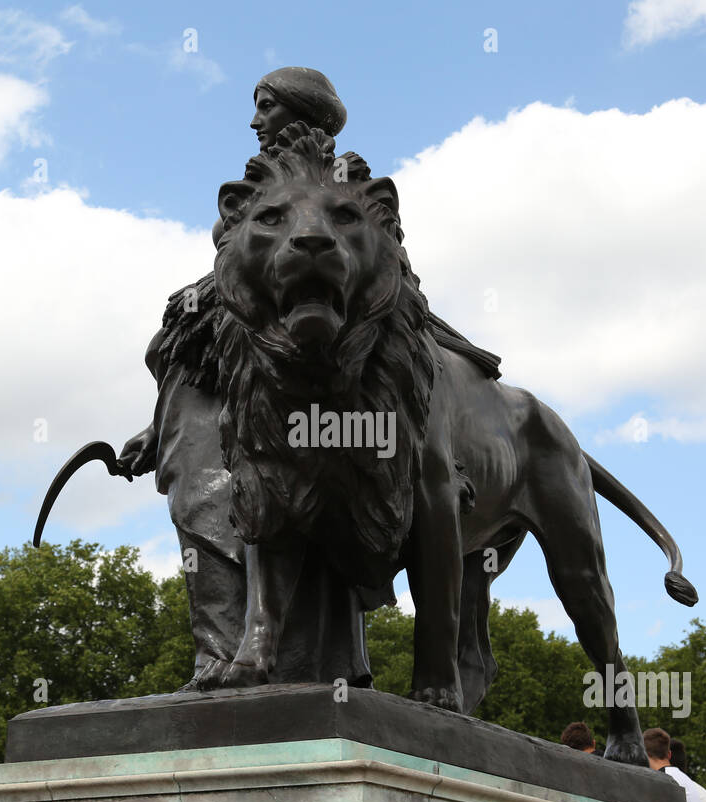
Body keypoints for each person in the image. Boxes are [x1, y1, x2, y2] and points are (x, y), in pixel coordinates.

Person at [117, 67, 502, 691]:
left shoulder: (345, 185)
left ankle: (307, 666)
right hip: (231, 397)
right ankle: (223, 658)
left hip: (310, 391)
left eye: (265, 106)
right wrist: (155, 422)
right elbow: (216, 328)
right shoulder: (249, 193)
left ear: (301, 113)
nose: (253, 120)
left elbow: (383, 292)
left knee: (307, 492)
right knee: (206, 507)